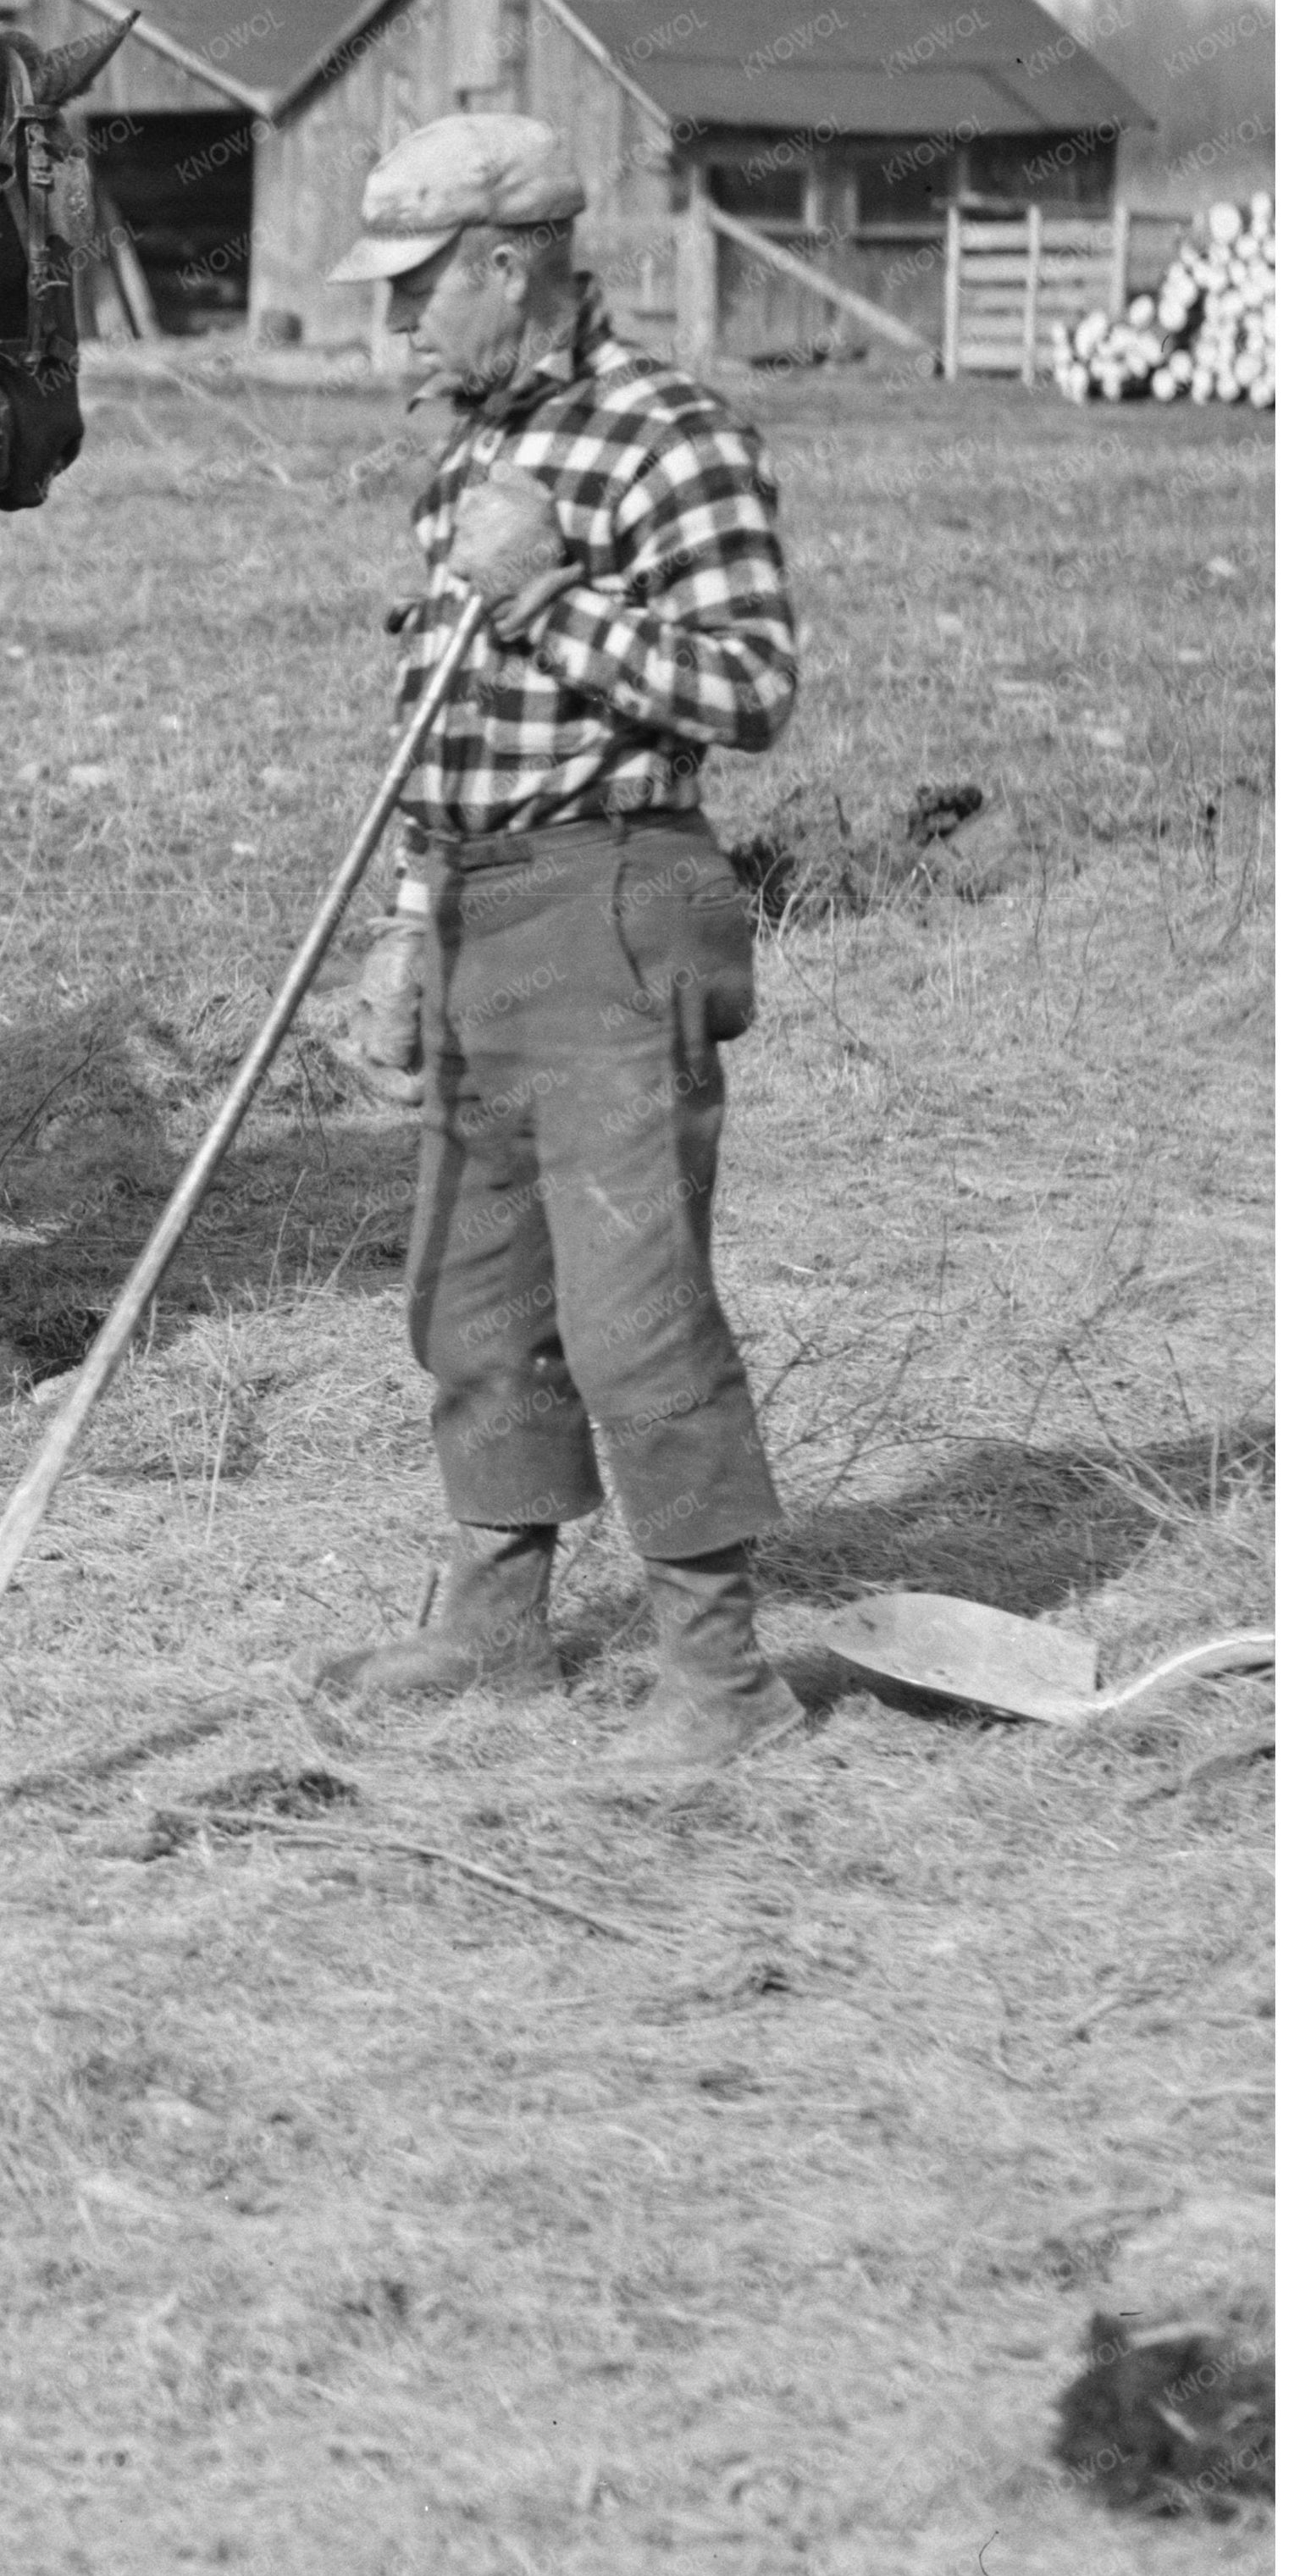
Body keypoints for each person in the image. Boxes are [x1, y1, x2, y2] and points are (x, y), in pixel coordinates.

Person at [310, 115, 809, 1774]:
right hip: (474, 916)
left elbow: (750, 688)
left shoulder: (671, 435)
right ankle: (497, 1630)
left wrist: (546, 601)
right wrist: (399, 935)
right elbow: (439, 734)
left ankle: (723, 1683)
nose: (397, 330)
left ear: (506, 266)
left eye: (416, 294)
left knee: (632, 1307)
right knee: (473, 1296)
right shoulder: (468, 458)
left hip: (619, 895)